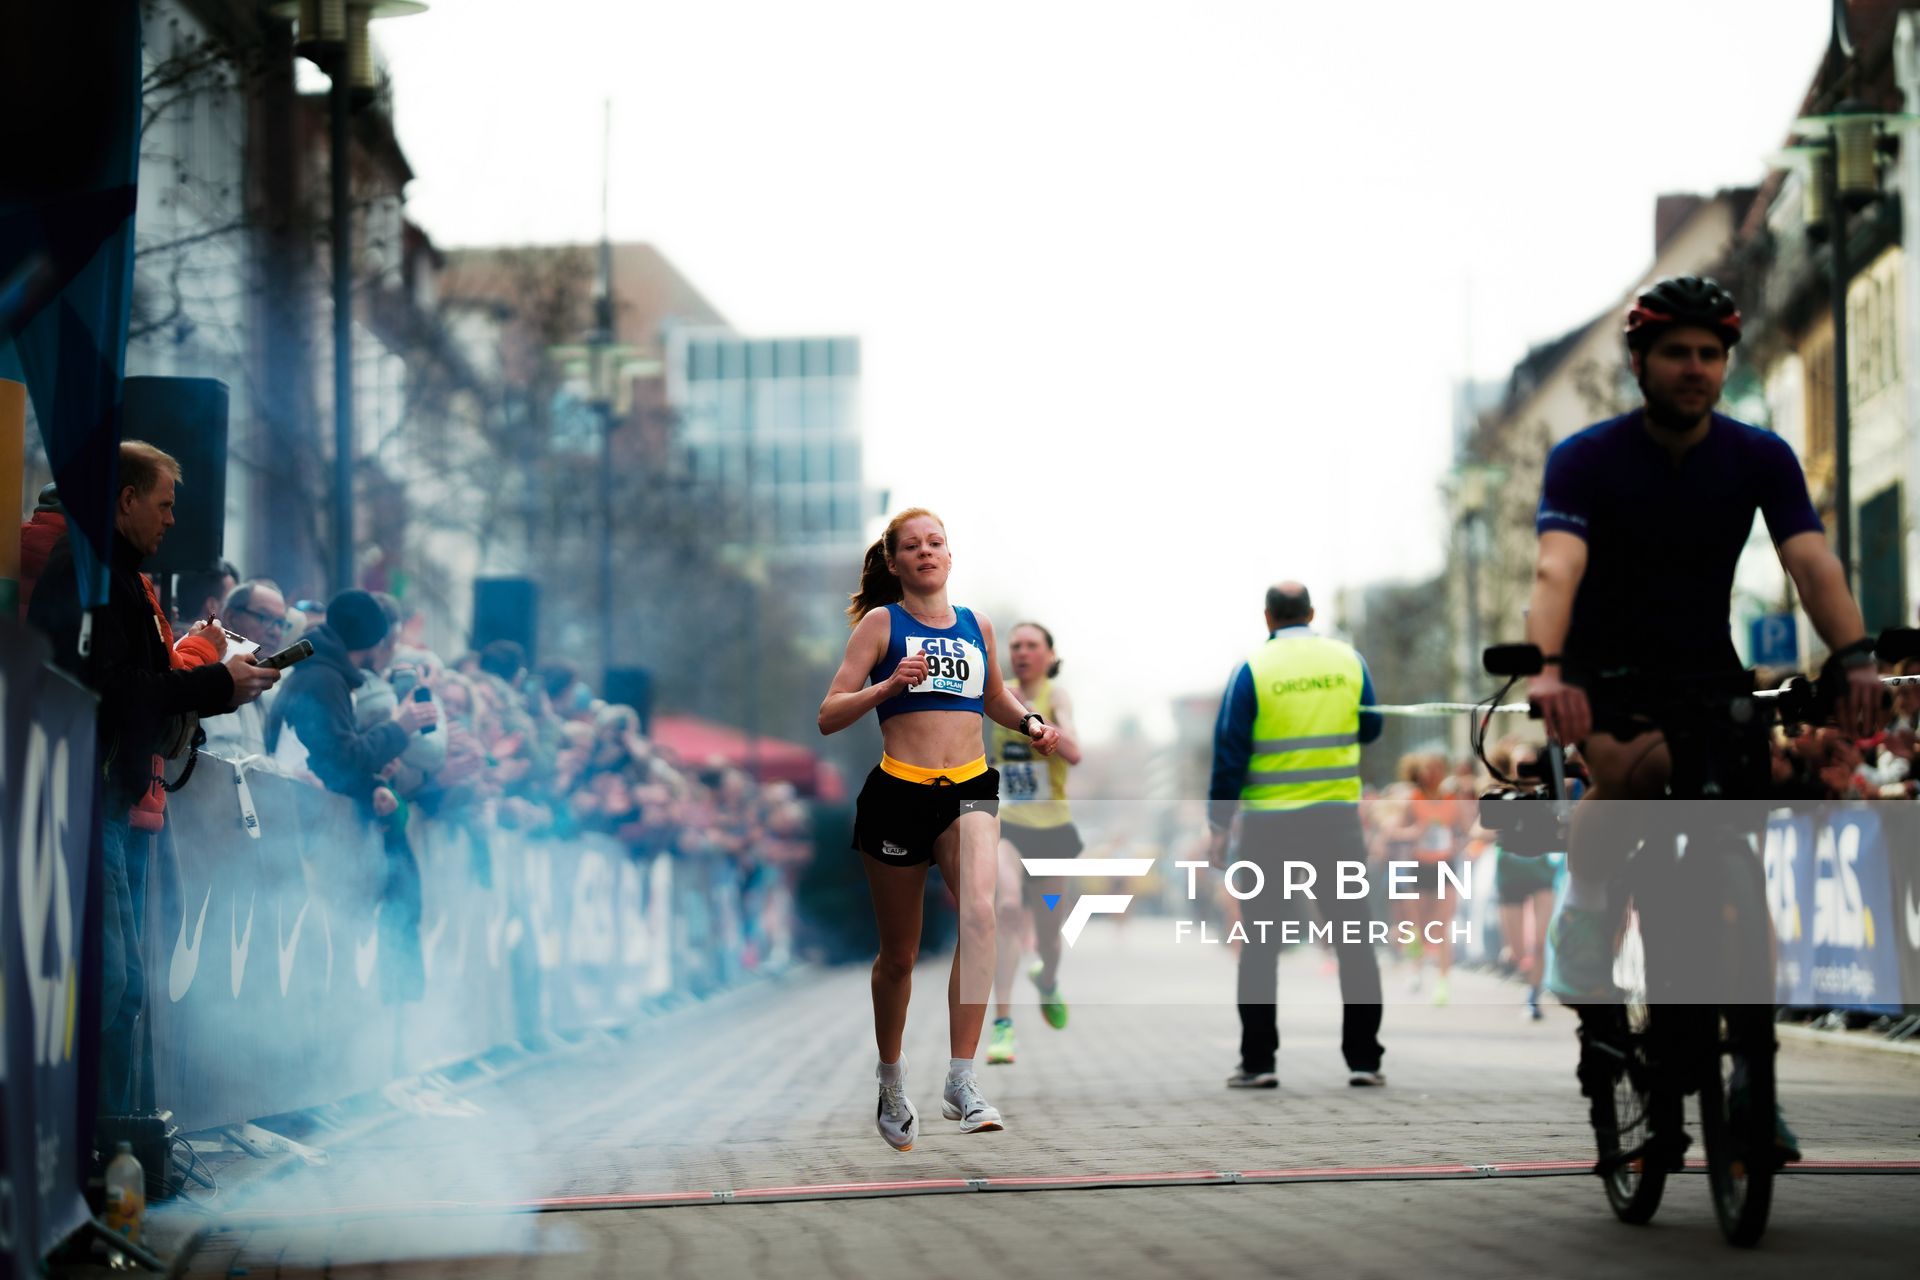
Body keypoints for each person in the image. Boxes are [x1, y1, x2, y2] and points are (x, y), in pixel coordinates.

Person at [1526, 276, 1882, 1160]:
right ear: (1640, 362)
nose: (1695, 369)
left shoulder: (1757, 455)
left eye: (1710, 354)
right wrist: (1547, 671)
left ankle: (1749, 1080)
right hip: (1604, 671)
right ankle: (1589, 909)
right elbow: (1555, 573)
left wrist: (1854, 658)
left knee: (1739, 850)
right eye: (1677, 353)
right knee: (1635, 774)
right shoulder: (1585, 458)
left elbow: (1811, 563)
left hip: (1705, 668)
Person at [26, 440, 279, 1114]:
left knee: (121, 981)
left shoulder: (119, 575)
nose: (172, 521)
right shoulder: (89, 574)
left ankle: (108, 1149)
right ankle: (91, 1151)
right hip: (81, 797)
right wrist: (215, 681)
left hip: (105, 796)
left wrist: (217, 685)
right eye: (163, 505)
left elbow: (143, 683)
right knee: (111, 983)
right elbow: (115, 687)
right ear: (127, 499)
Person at [818, 508, 1061, 1150]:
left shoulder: (976, 625)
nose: (926, 553)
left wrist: (1031, 723)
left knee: (982, 914)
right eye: (912, 546)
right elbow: (828, 713)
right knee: (899, 955)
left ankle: (961, 1077)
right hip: (899, 790)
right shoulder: (881, 625)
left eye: (936, 543)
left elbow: (996, 700)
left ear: (950, 558)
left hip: (971, 786)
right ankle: (892, 1080)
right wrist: (886, 686)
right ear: (895, 563)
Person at [1208, 581, 1386, 1089]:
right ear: (1311, 612)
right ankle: (1365, 1059)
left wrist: (1219, 825)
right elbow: (1370, 729)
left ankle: (1259, 1062)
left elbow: (1230, 754)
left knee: (1261, 943)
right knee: (1353, 938)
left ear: (1268, 617)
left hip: (1269, 825)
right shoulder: (1350, 660)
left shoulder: (1252, 669)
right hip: (1336, 821)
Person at [984, 621, 1083, 1065]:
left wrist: (1048, 732)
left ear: (1049, 655)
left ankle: (1046, 980)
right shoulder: (998, 693)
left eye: (1032, 646)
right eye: (1016, 646)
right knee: (1006, 908)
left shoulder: (1055, 696)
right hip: (1008, 823)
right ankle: (1003, 1025)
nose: (1022, 653)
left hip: (1052, 830)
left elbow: (1076, 753)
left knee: (1049, 937)